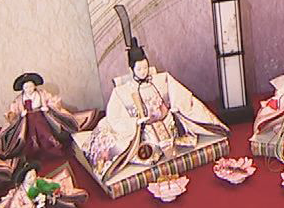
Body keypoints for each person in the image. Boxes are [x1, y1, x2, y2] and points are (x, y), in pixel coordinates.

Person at [82, 51, 229, 182]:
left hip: (167, 122)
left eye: (145, 67)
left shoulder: (160, 79)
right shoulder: (122, 91)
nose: (143, 72)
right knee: (143, 147)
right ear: (131, 70)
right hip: (143, 130)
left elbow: (179, 93)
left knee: (178, 130)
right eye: (139, 69)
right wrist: (136, 122)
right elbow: (115, 117)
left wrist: (176, 106)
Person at [0, 73, 97, 161]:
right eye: (26, 87)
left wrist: (48, 107)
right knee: (29, 137)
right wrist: (20, 114)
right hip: (27, 121)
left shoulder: (42, 94)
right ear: (23, 89)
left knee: (45, 133)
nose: (29, 89)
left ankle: (52, 150)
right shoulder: (19, 99)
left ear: (35, 86)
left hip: (41, 117)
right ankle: (32, 154)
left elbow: (52, 100)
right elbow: (13, 111)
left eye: (30, 86)